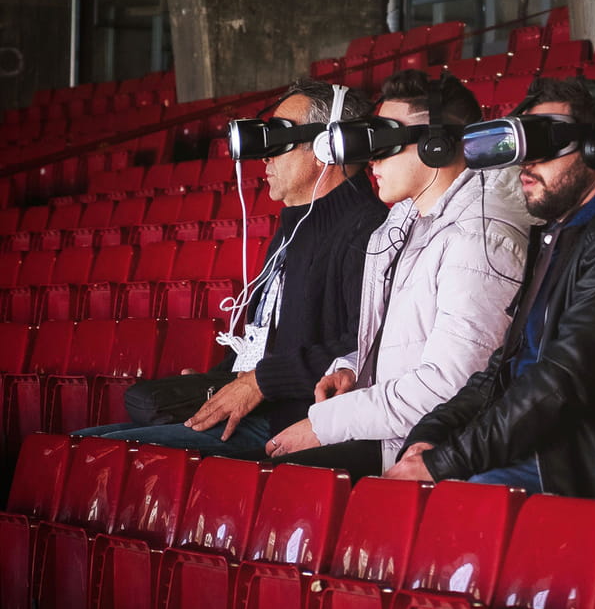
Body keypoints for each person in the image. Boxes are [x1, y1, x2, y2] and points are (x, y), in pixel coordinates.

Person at [384, 75, 595, 499]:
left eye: (546, 143)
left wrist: (446, 462)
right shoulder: (563, 232)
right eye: (523, 147)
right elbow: (503, 369)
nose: (526, 164)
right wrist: (430, 435)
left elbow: (564, 381)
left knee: (452, 501)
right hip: (550, 440)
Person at [75, 78, 386, 457]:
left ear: (327, 147)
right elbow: (268, 338)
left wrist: (259, 383)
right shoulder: (296, 227)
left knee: (94, 453)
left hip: (296, 423)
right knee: (78, 440)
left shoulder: (367, 231)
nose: (265, 157)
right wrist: (220, 380)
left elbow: (366, 347)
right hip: (261, 410)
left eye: (279, 140)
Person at [263, 69, 531, 479]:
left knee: (278, 479)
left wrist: (324, 424)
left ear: (436, 146)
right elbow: (407, 341)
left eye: (385, 144)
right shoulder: (408, 224)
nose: (372, 159)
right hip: (392, 433)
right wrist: (354, 365)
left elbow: (450, 387)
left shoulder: (478, 240)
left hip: (430, 450)